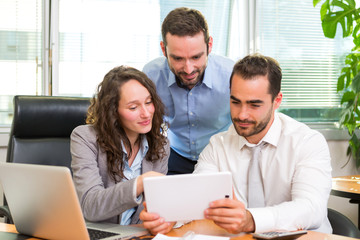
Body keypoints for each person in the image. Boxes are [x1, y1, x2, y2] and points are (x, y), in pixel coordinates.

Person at [140, 54, 332, 234]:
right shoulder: (218, 145)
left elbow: (311, 208)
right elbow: (196, 198)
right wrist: (171, 216)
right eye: (235, 102)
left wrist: (251, 219)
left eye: (254, 105)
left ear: (277, 101)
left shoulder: (307, 142)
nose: (242, 114)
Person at [70, 66, 170, 225]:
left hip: (138, 235)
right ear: (113, 111)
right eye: (133, 107)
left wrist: (161, 219)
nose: (146, 113)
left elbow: (157, 208)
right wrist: (140, 183)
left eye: (149, 102)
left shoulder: (160, 145)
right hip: (99, 234)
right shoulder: (85, 138)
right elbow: (90, 206)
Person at [143, 7, 234, 175]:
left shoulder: (232, 76)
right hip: (172, 154)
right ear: (164, 49)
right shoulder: (150, 76)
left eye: (196, 57)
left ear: (209, 46)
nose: (188, 69)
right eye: (178, 58)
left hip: (220, 155)